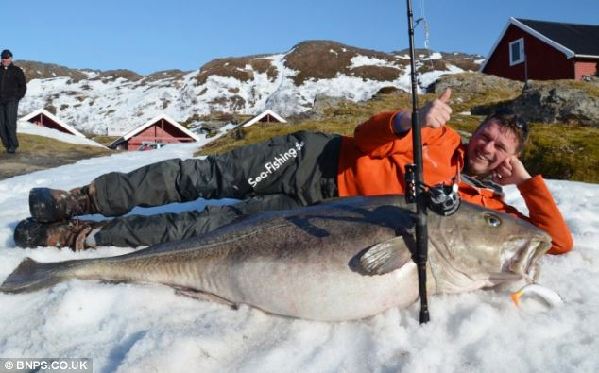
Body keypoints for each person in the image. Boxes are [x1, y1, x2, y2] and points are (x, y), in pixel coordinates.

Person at [13, 89, 573, 255]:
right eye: (488, 136)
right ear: (476, 132)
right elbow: (364, 138)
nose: (488, 148)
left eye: (501, 149)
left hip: (318, 218)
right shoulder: (439, 133)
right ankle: (80, 198)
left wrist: (527, 183)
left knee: (207, 228)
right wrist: (410, 118)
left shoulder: (486, 208)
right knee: (201, 178)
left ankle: (81, 236)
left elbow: (556, 242)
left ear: (507, 159)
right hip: (314, 159)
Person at [0, 49, 27, 154]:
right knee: (1, 124)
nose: (5, 59)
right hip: (0, 102)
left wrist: (17, 97)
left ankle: (13, 145)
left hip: (12, 100)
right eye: (3, 57)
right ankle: (7, 145)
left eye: (7, 57)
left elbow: (23, 86)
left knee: (10, 123)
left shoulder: (17, 70)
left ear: (11, 58)